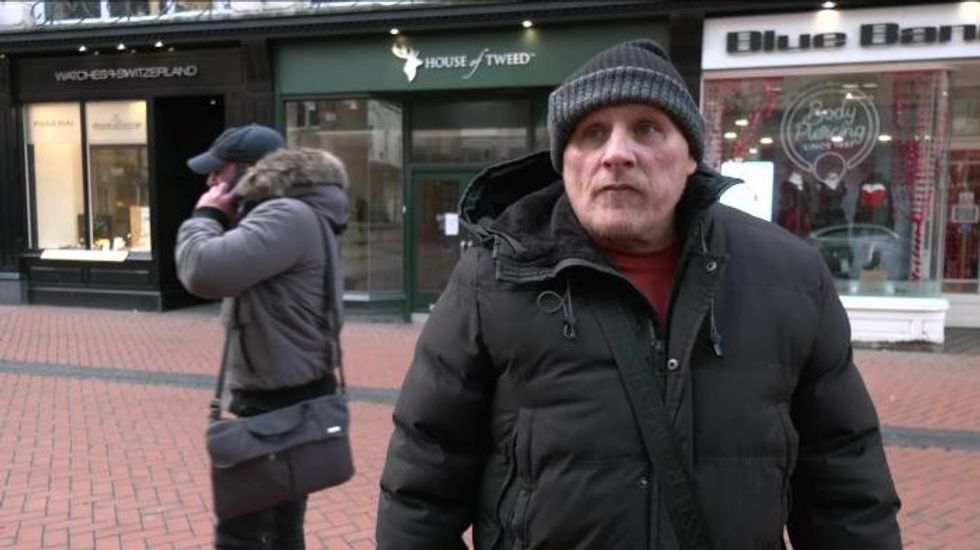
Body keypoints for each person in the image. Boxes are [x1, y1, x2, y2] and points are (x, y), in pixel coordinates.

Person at [376, 40, 901, 549]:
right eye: (592, 133)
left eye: (647, 128)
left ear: (691, 156)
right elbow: (421, 487)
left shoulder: (792, 277)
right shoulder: (491, 278)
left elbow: (844, 485)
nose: (616, 154)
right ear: (564, 161)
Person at [174, 124, 350, 549]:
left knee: (243, 533)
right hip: (288, 393)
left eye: (219, 170)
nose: (210, 181)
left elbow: (203, 270)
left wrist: (206, 217)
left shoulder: (286, 215)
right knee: (279, 528)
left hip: (277, 403)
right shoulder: (291, 212)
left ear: (248, 171)